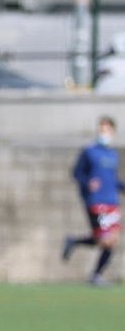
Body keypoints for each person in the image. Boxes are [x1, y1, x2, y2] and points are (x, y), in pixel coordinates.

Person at [62, 116, 125, 285]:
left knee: (110, 240)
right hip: (97, 202)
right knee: (106, 239)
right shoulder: (89, 152)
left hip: (112, 202)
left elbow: (112, 180)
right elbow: (76, 173)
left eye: (106, 130)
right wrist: (87, 182)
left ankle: (76, 244)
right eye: (101, 129)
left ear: (113, 132)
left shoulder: (113, 155)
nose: (103, 133)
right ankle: (95, 275)